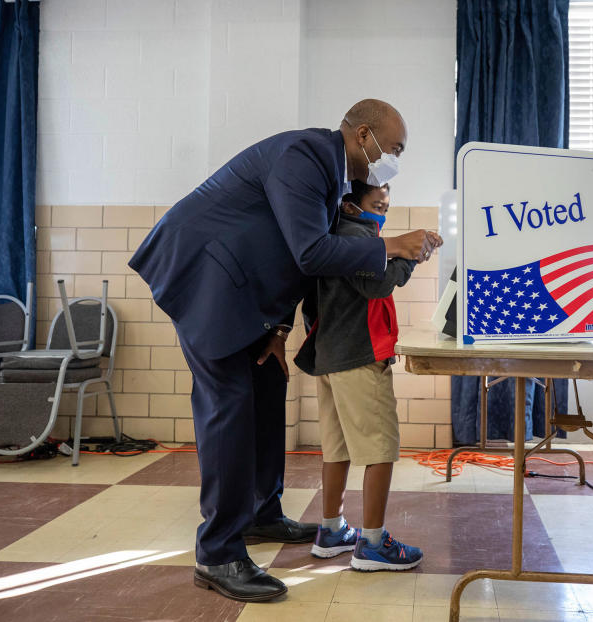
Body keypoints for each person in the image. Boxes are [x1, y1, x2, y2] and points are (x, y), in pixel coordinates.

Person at [128, 99, 441, 602]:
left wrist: (278, 327)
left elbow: (294, 260)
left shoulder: (335, 179)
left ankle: (261, 513)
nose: (395, 160)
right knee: (228, 406)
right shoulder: (306, 156)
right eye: (395, 148)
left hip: (248, 291)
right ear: (364, 135)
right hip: (205, 276)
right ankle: (219, 553)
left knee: (269, 384)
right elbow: (311, 251)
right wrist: (392, 245)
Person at [294, 180, 422, 572]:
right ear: (351, 206)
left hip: (331, 355)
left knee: (338, 448)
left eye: (386, 207)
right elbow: (379, 284)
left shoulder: (330, 237)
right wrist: (411, 257)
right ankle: (372, 543)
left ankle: (331, 530)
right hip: (358, 356)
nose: (382, 214)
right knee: (380, 448)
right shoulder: (356, 236)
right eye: (377, 205)